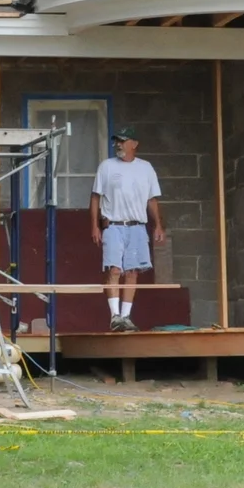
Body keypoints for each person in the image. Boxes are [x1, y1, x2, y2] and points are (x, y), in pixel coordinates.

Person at [90, 126, 165, 333]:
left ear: (134, 143)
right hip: (113, 225)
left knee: (132, 271)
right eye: (117, 141)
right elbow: (95, 196)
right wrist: (94, 226)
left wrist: (158, 224)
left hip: (137, 226)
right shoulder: (106, 166)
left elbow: (152, 198)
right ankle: (114, 316)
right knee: (114, 269)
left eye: (123, 141)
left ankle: (126, 316)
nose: (119, 145)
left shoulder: (146, 168)